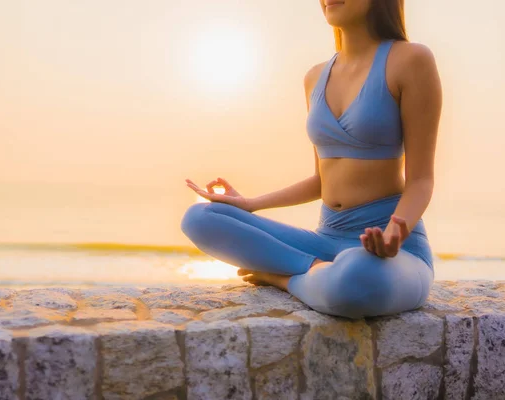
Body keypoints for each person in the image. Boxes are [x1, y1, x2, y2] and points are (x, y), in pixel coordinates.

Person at [180, 0, 442, 319]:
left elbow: (421, 180)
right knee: (200, 218)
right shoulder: (315, 77)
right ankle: (316, 273)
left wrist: (393, 234)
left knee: (356, 277)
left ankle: (281, 278)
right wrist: (251, 203)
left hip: (392, 251)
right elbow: (321, 180)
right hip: (325, 239)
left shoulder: (411, 60)